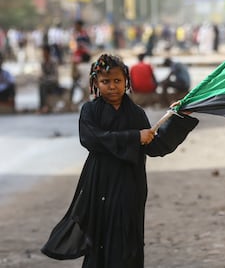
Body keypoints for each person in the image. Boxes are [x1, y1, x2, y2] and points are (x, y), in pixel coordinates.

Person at [41, 54, 198, 267]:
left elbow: (155, 146)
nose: (112, 87)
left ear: (126, 81)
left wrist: (181, 118)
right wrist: (134, 137)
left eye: (117, 81)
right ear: (95, 83)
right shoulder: (90, 111)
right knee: (100, 239)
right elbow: (91, 139)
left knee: (127, 239)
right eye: (106, 82)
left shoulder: (136, 113)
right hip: (99, 184)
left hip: (130, 185)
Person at [38, 44, 60, 113]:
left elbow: (55, 76)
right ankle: (43, 106)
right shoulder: (43, 63)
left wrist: (46, 78)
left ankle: (44, 106)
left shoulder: (54, 61)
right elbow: (42, 74)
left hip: (53, 83)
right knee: (41, 85)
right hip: (46, 82)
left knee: (43, 86)